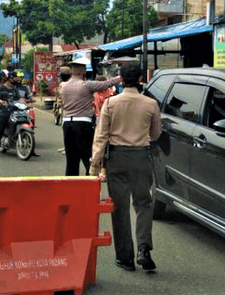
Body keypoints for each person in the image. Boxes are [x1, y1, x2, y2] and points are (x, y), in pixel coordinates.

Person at [89, 63, 162, 272]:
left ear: (121, 80)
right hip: (141, 157)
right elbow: (156, 134)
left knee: (120, 208)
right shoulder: (151, 104)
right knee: (143, 204)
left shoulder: (111, 103)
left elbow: (101, 135)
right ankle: (143, 249)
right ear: (140, 79)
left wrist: (95, 163)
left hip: (117, 159)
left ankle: (125, 257)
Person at [60, 58, 120, 176]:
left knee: (71, 158)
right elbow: (105, 84)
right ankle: (89, 183)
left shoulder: (63, 86)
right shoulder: (87, 85)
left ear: (71, 71)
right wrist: (120, 77)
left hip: (67, 123)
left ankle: (71, 186)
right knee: (88, 156)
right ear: (83, 71)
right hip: (83, 123)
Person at [0, 70, 18, 158]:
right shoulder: (1, 88)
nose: (18, 79)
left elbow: (20, 99)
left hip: (14, 110)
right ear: (10, 78)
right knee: (0, 129)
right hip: (4, 110)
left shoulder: (14, 89)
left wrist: (26, 103)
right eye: (16, 77)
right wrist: (1, 102)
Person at [93, 75, 115, 181]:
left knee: (105, 147)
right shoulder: (96, 94)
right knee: (100, 146)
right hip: (99, 120)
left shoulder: (111, 94)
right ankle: (101, 169)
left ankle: (104, 170)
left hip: (109, 121)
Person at [56, 66, 71, 154]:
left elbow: (61, 97)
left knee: (67, 129)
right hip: (67, 108)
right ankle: (66, 147)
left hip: (67, 109)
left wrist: (59, 104)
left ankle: (68, 148)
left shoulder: (63, 85)